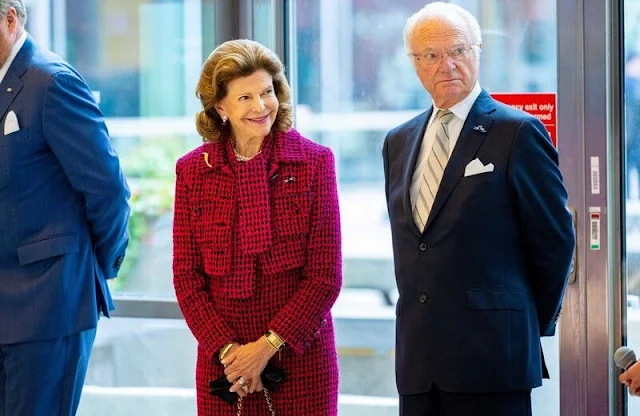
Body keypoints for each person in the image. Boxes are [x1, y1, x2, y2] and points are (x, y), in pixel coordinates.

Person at [382, 3, 575, 415]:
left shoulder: (517, 131)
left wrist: (517, 322)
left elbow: (554, 243)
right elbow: (416, 246)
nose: (446, 65)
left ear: (478, 51)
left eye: (458, 50)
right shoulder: (397, 142)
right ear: (414, 64)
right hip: (419, 363)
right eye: (430, 56)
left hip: (492, 356)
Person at [173, 39, 341, 415]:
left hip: (302, 362)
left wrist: (264, 349)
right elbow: (187, 279)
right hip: (225, 368)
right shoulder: (192, 172)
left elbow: (325, 277)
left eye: (267, 92)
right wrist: (233, 354)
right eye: (245, 97)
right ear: (220, 107)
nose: (261, 106)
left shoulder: (315, 163)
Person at [0, 1, 131, 415]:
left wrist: (93, 269)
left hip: (47, 305)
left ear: (9, 19)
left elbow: (108, 189)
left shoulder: (51, 82)